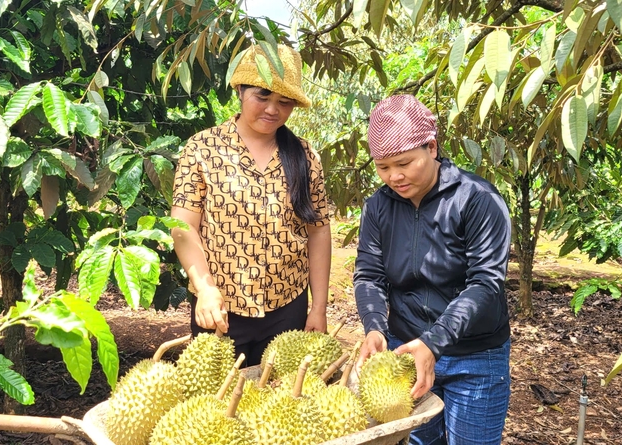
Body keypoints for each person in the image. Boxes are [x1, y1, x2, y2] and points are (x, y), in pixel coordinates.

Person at [354, 94, 511, 445]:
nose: (394, 176)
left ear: (432, 146)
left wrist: (434, 342)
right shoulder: (378, 207)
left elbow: (486, 283)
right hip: (405, 353)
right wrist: (375, 328)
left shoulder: (477, 199)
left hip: (475, 357)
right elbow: (370, 274)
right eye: (382, 166)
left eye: (404, 163)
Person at [171, 44, 331, 367]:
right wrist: (204, 288)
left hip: (288, 307)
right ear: (240, 90)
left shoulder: (304, 156)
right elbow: (183, 226)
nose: (273, 109)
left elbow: (319, 232)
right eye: (262, 96)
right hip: (220, 309)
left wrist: (319, 307)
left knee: (281, 404)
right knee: (215, 408)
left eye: (284, 102)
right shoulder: (203, 149)